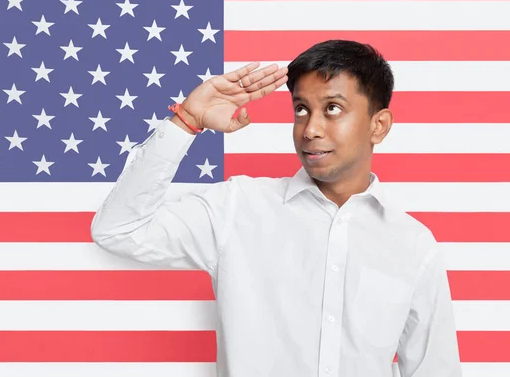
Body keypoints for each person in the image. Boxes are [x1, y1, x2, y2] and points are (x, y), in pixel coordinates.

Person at [91, 39, 462, 376]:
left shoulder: (413, 245)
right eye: (301, 109)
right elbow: (118, 230)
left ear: (378, 126)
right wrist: (186, 121)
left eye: (333, 108)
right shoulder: (237, 208)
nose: (310, 129)